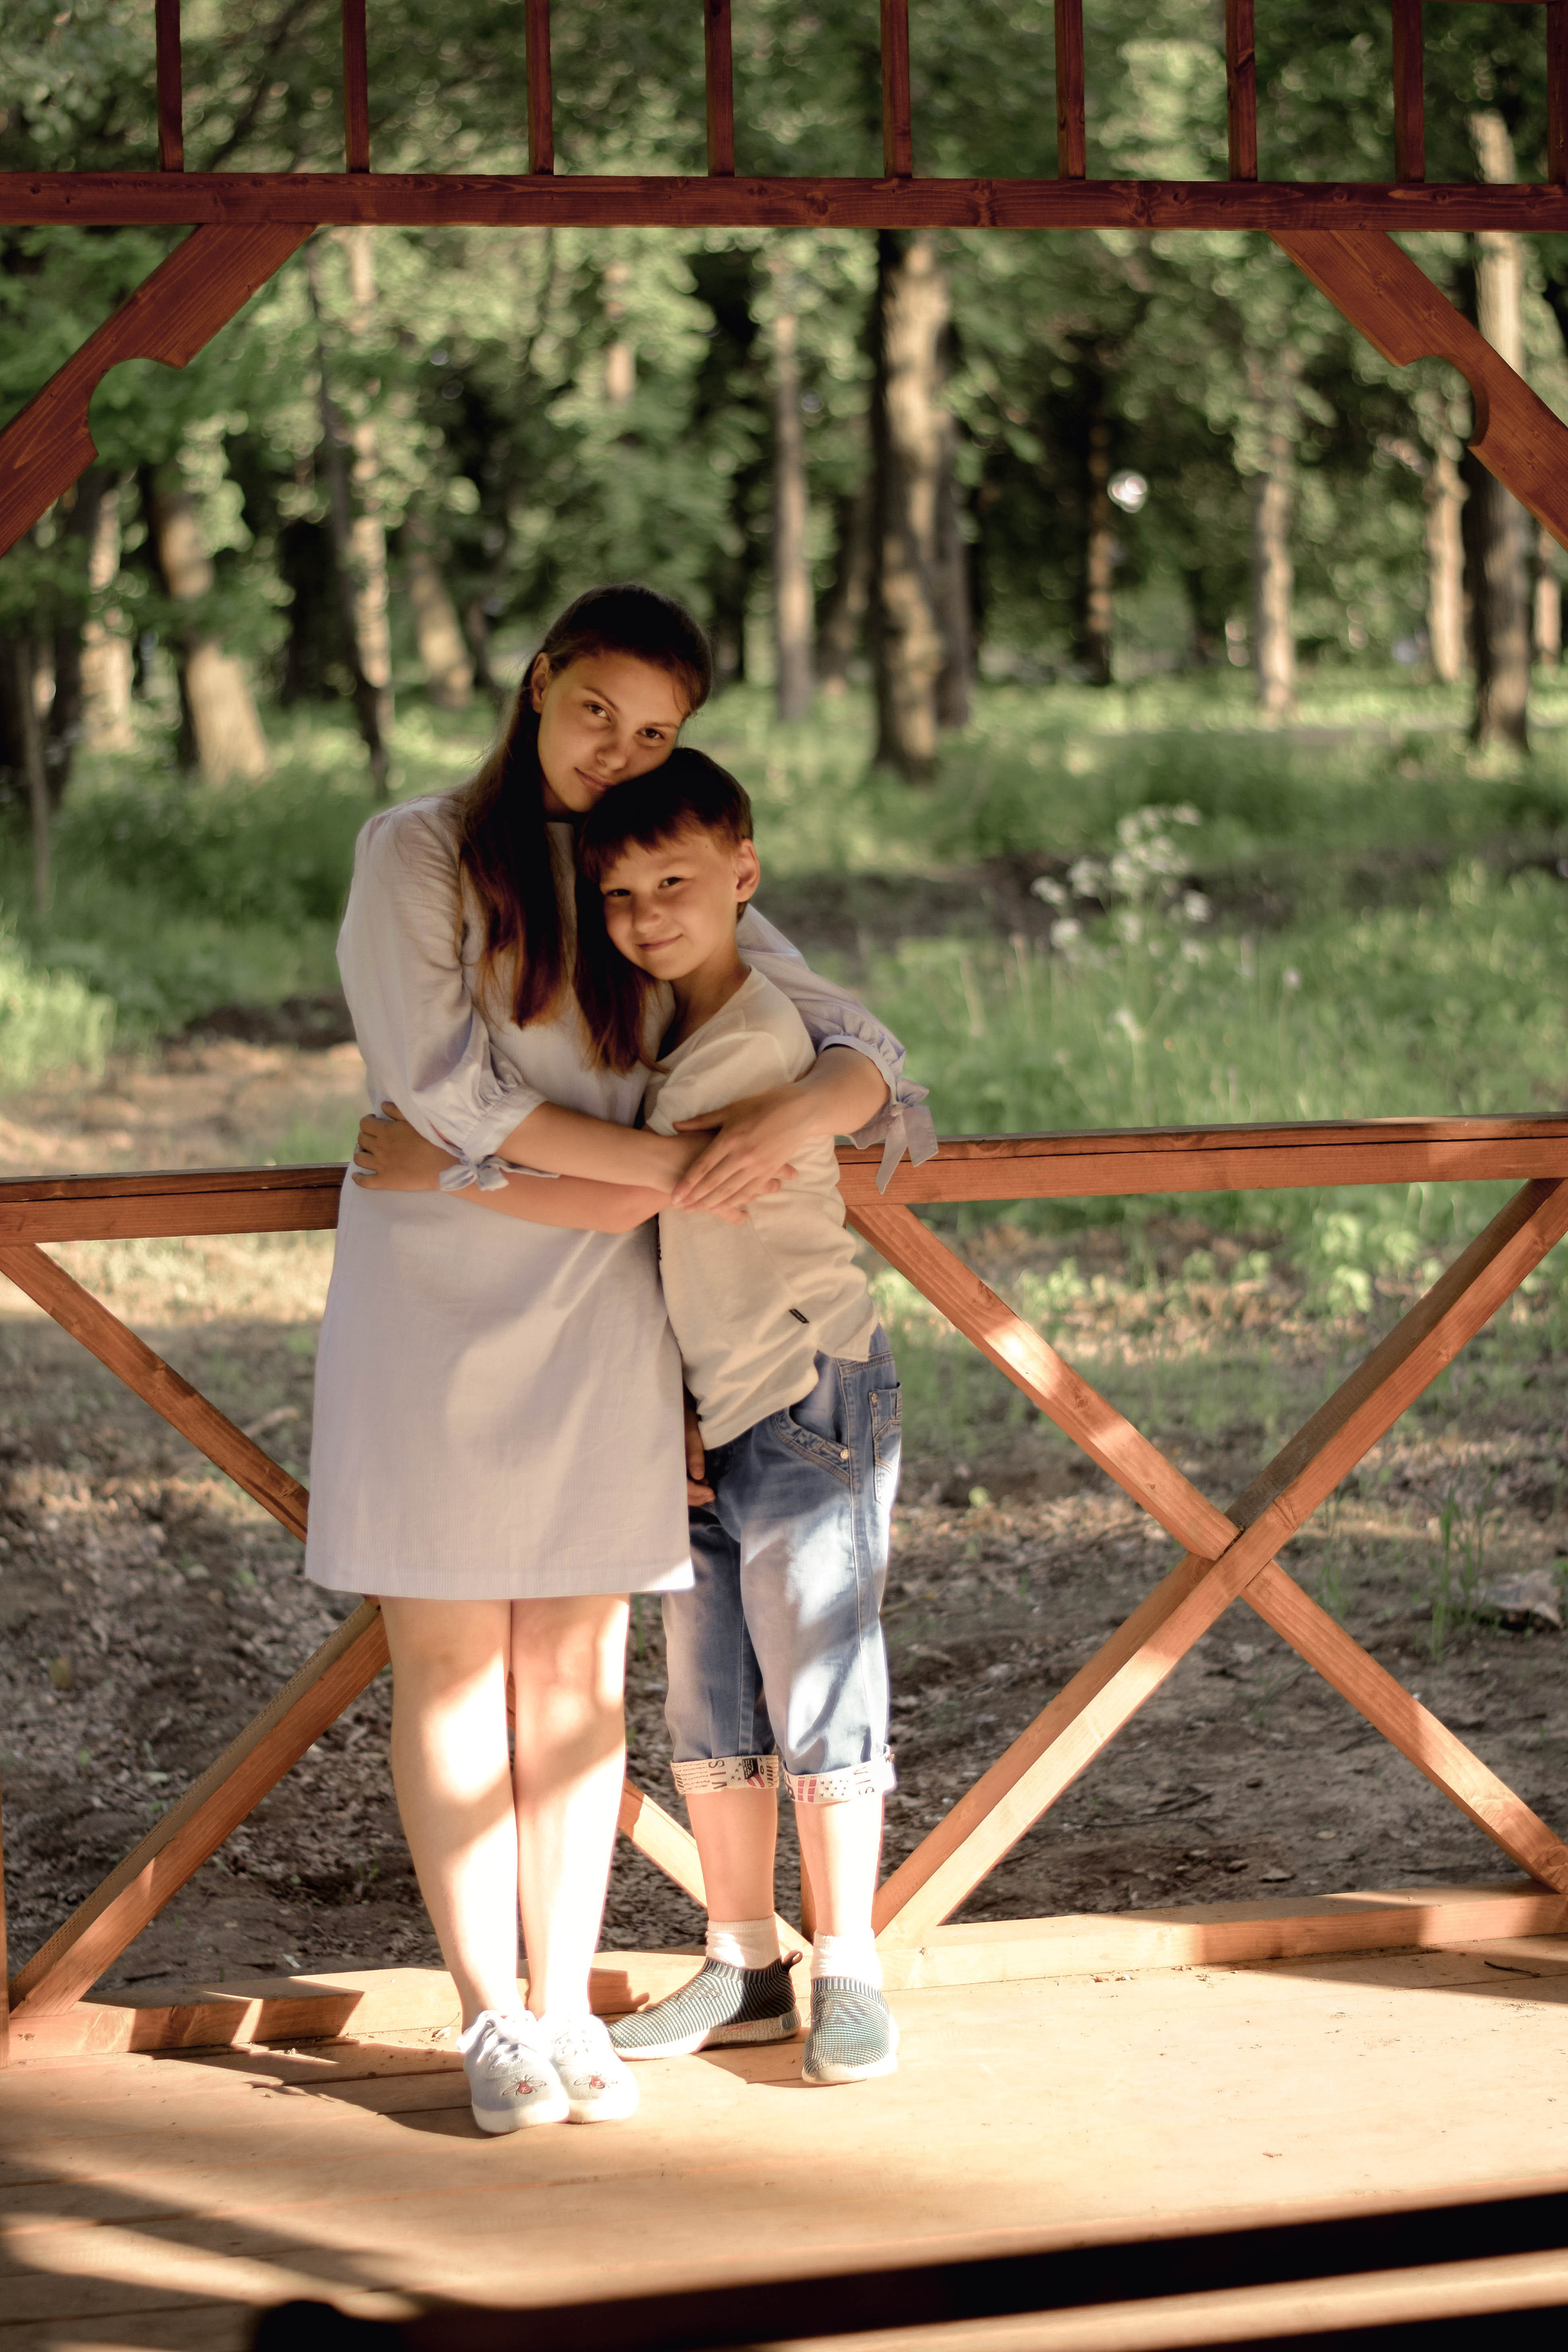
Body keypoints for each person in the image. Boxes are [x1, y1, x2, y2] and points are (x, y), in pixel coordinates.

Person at [314, 582, 930, 2136]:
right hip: (437, 1305)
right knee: (455, 1667)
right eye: (596, 710)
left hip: (603, 1305)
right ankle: (492, 2020)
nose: (617, 748)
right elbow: (441, 1095)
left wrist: (795, 1119)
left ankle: (571, 1998)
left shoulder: (636, 857)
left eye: (655, 730)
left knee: (577, 1676)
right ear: (535, 683)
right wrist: (683, 1174)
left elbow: (858, 1037)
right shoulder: (419, 850)